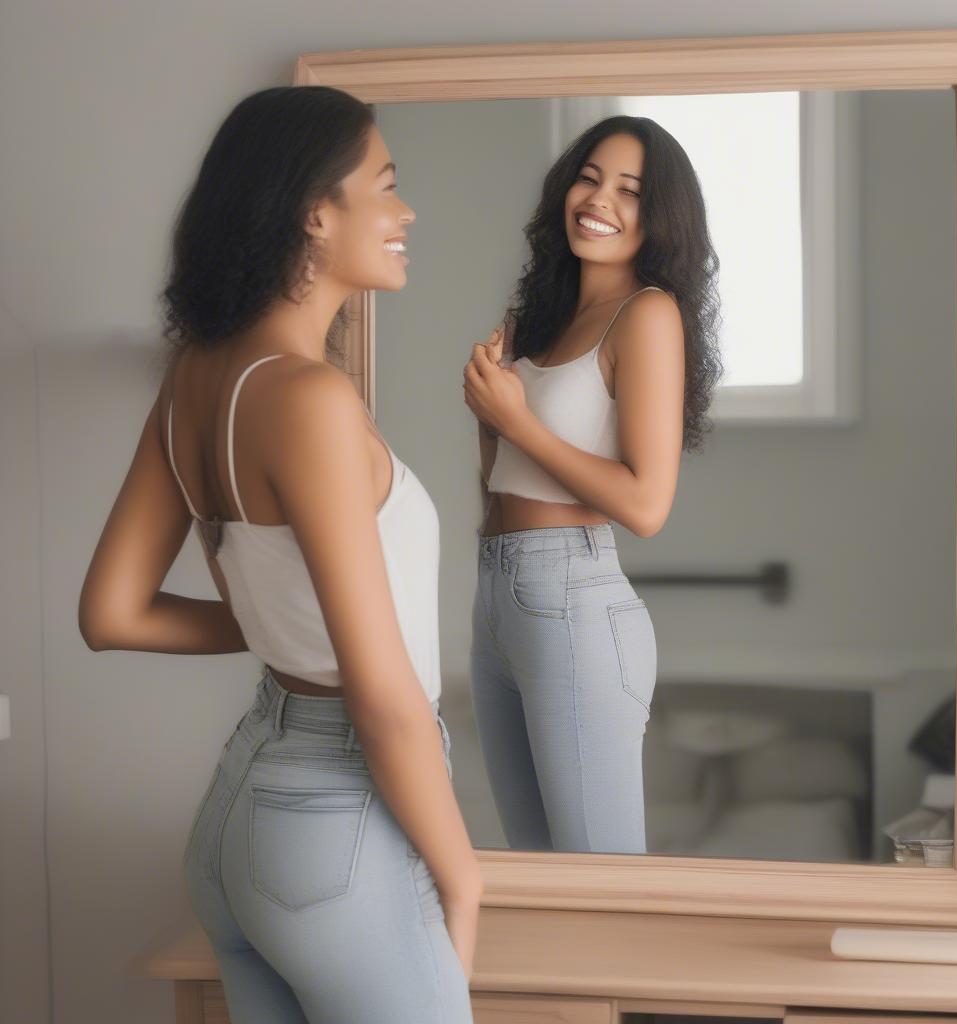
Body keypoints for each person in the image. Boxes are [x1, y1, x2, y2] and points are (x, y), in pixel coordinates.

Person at [79, 86, 479, 1023]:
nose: (404, 210)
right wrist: (464, 879)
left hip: (242, 815)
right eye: (385, 186)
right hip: (336, 820)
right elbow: (383, 702)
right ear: (315, 211)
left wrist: (276, 628)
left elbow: (111, 614)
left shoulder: (196, 379)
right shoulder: (308, 399)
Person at [462, 114, 722, 854]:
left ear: (659, 216)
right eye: (589, 176)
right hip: (495, 594)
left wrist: (517, 421)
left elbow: (647, 504)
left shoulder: (648, 314)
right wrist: (488, 415)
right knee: (539, 871)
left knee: (602, 880)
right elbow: (503, 484)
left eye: (629, 189)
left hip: (573, 597)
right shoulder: (536, 320)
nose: (599, 198)